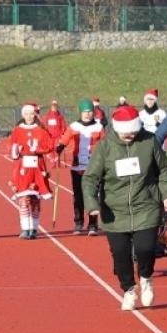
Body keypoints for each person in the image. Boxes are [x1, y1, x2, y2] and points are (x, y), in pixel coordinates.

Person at [82, 103, 167, 310]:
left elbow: (164, 170)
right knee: (120, 254)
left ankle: (146, 277)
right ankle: (129, 290)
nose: (129, 135)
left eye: (133, 131)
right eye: (125, 132)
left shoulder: (149, 141)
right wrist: (91, 203)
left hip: (146, 206)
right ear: (117, 129)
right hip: (115, 211)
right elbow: (90, 178)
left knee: (145, 248)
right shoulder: (105, 146)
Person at [6, 102, 56, 239]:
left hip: (37, 167)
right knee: (24, 198)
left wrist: (38, 149)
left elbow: (49, 145)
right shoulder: (17, 130)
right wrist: (16, 149)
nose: (29, 116)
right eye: (26, 114)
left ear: (35, 115)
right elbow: (10, 146)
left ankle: (34, 227)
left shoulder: (41, 130)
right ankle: (25, 228)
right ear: (23, 115)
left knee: (35, 198)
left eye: (31, 114)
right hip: (22, 167)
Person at [58, 99, 105, 235]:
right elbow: (65, 139)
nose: (87, 114)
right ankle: (78, 222)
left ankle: (93, 224)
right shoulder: (74, 126)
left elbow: (105, 143)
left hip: (93, 166)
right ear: (80, 112)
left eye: (90, 112)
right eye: (85, 112)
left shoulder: (99, 127)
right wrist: (60, 147)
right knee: (78, 196)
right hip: (77, 166)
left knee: (92, 195)